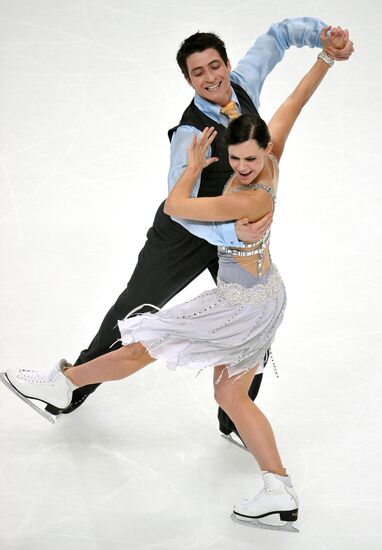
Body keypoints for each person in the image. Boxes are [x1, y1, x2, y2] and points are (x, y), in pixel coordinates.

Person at [2, 26, 350, 531]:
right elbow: (292, 104)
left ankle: (62, 385)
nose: (242, 164)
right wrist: (324, 58)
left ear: (228, 65)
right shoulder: (263, 156)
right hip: (259, 288)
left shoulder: (243, 192)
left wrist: (205, 190)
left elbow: (180, 203)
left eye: (215, 66)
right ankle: (276, 486)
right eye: (235, 158)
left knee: (143, 343)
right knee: (211, 378)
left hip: (237, 293)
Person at [53, 20, 353, 443]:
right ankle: (72, 385)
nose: (211, 77)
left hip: (233, 235)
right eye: (199, 73)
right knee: (135, 309)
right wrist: (233, 236)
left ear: (227, 64)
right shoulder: (191, 131)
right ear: (188, 80)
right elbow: (178, 208)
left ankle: (235, 415)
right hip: (183, 236)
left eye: (215, 66)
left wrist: (323, 37)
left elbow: (279, 36)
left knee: (251, 322)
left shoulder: (243, 82)